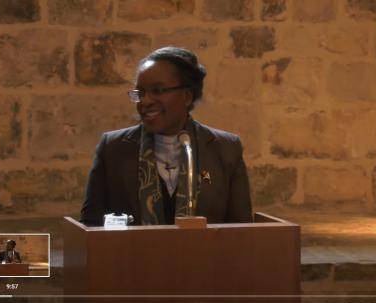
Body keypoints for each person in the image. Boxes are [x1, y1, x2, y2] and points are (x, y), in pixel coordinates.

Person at [81, 46, 252, 226]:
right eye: (140, 93)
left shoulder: (225, 148)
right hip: (132, 254)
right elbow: (90, 225)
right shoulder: (113, 148)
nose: (145, 101)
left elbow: (241, 228)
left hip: (206, 254)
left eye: (157, 91)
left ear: (187, 96)